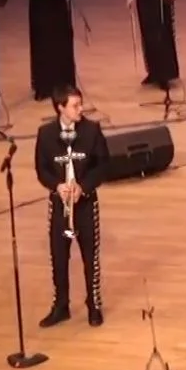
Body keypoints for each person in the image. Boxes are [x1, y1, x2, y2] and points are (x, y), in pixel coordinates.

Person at [33, 85, 110, 327]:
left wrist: (83, 187)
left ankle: (94, 305)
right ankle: (61, 306)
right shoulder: (45, 134)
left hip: (85, 204)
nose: (81, 109)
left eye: (81, 104)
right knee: (58, 256)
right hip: (59, 205)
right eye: (75, 106)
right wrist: (57, 186)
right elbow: (41, 169)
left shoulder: (92, 130)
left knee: (90, 257)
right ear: (60, 108)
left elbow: (103, 165)